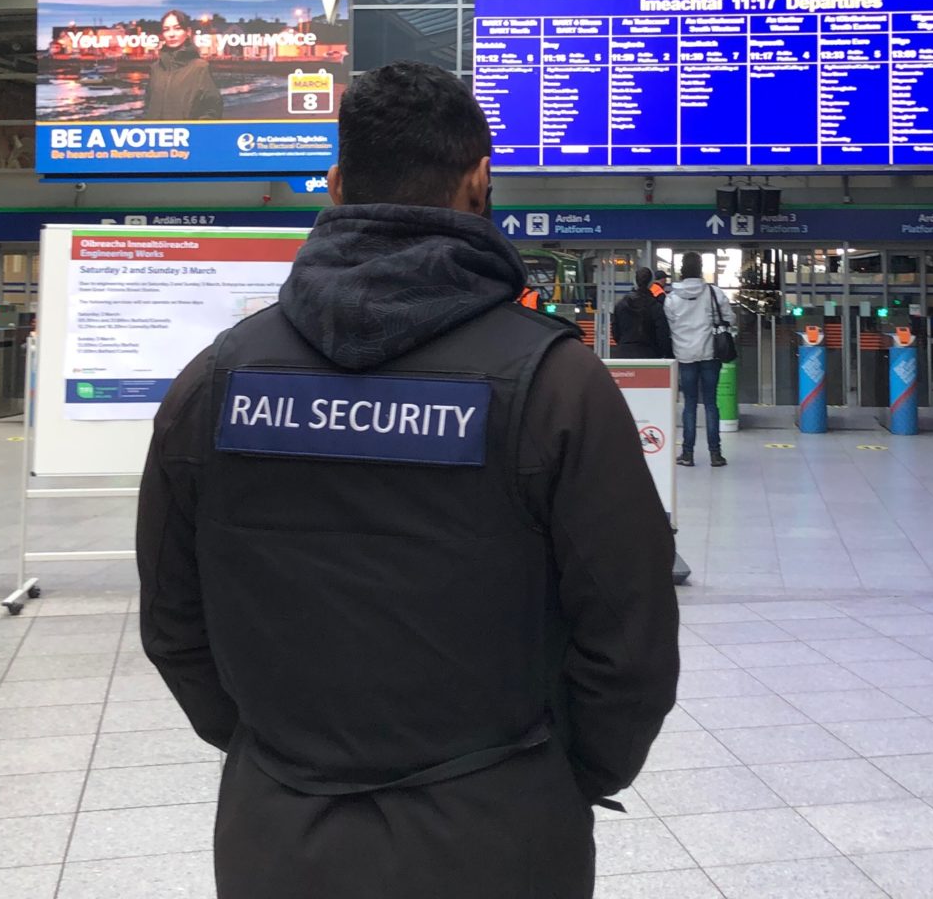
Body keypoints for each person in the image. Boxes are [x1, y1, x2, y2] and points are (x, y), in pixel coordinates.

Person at [137, 61, 677, 899]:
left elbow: (174, 623)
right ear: (479, 182)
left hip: (277, 835)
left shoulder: (215, 382)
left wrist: (271, 752)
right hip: (502, 835)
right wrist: (555, 773)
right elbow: (631, 638)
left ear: (337, 181)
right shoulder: (555, 385)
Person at [663, 252, 731, 467]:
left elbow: (671, 325)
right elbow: (729, 318)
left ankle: (687, 454)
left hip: (685, 356)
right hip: (710, 353)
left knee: (689, 404)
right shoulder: (714, 292)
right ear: (700, 268)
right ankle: (715, 454)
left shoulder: (671, 298)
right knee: (711, 403)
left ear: (682, 269)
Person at [142, 8, 225, 121]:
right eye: (166, 29)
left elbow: (213, 109)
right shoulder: (156, 68)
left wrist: (194, 132)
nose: (171, 34)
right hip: (158, 136)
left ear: (188, 32)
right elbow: (148, 106)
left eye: (177, 28)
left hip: (186, 136)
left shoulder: (200, 67)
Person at [609, 267, 671, 359]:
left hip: (624, 353)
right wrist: (663, 353)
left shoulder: (621, 305)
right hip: (649, 355)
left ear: (634, 282)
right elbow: (662, 334)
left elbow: (615, 332)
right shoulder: (655, 307)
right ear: (651, 283)